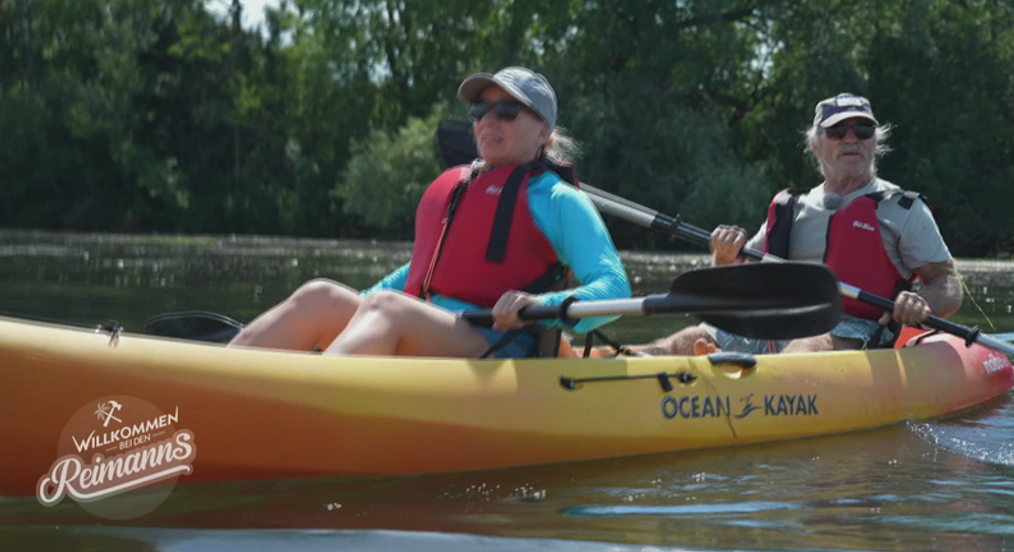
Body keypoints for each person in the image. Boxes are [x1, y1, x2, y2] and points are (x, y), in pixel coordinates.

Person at [229, 66, 631, 358]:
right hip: (429, 327)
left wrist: (537, 307)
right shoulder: (462, 189)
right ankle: (217, 378)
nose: (488, 121)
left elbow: (613, 288)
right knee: (320, 296)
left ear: (543, 131)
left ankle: (301, 403)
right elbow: (426, 269)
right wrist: (362, 304)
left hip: (496, 343)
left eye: (507, 111)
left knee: (390, 311)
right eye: (479, 111)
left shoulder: (559, 200)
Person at [642, 93, 961, 355]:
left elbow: (947, 282)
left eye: (862, 131)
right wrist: (723, 256)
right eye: (837, 132)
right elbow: (732, 286)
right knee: (687, 339)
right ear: (816, 145)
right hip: (774, 323)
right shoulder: (792, 207)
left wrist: (922, 304)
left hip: (853, 331)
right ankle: (620, 368)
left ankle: (756, 391)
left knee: (808, 345)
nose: (851, 139)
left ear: (874, 141)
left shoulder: (903, 208)